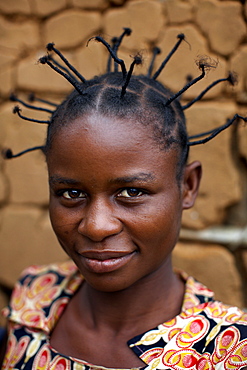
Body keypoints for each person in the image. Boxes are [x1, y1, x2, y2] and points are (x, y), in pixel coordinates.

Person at [1, 29, 247, 370]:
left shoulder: (228, 353)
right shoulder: (32, 298)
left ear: (188, 186)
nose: (97, 226)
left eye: (132, 192)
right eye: (71, 193)